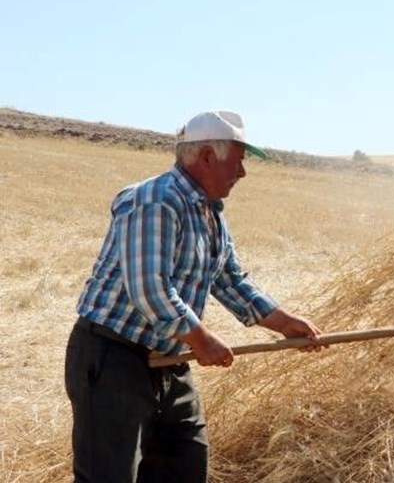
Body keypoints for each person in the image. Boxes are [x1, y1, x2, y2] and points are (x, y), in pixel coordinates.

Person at [66, 110, 325, 483]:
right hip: (113, 361)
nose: (242, 173)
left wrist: (285, 323)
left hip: (169, 362)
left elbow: (232, 281)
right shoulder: (155, 201)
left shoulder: (210, 215)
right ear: (207, 157)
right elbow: (150, 289)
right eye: (237, 161)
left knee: (185, 463)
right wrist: (201, 340)